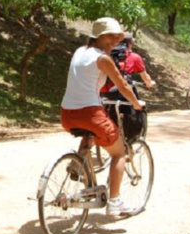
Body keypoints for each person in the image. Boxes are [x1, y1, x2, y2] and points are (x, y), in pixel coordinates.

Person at [60, 17, 144, 218]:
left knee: (90, 134)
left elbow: (89, 81)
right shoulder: (103, 58)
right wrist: (135, 103)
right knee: (119, 153)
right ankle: (115, 202)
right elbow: (122, 85)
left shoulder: (80, 52)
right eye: (110, 37)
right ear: (98, 36)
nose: (114, 41)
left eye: (117, 38)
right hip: (90, 113)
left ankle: (77, 165)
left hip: (66, 113)